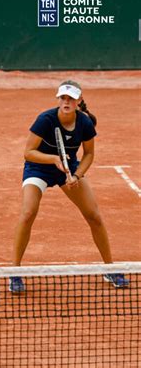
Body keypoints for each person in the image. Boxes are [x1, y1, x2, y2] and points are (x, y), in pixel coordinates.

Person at [10, 80, 128, 292]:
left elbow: (89, 154)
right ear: (58, 99)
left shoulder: (84, 123)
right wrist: (54, 159)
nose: (66, 101)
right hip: (39, 168)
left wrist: (77, 175)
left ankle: (110, 268)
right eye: (63, 98)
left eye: (71, 98)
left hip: (68, 168)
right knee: (28, 213)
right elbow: (28, 152)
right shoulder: (45, 120)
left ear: (78, 101)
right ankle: (14, 273)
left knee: (94, 216)